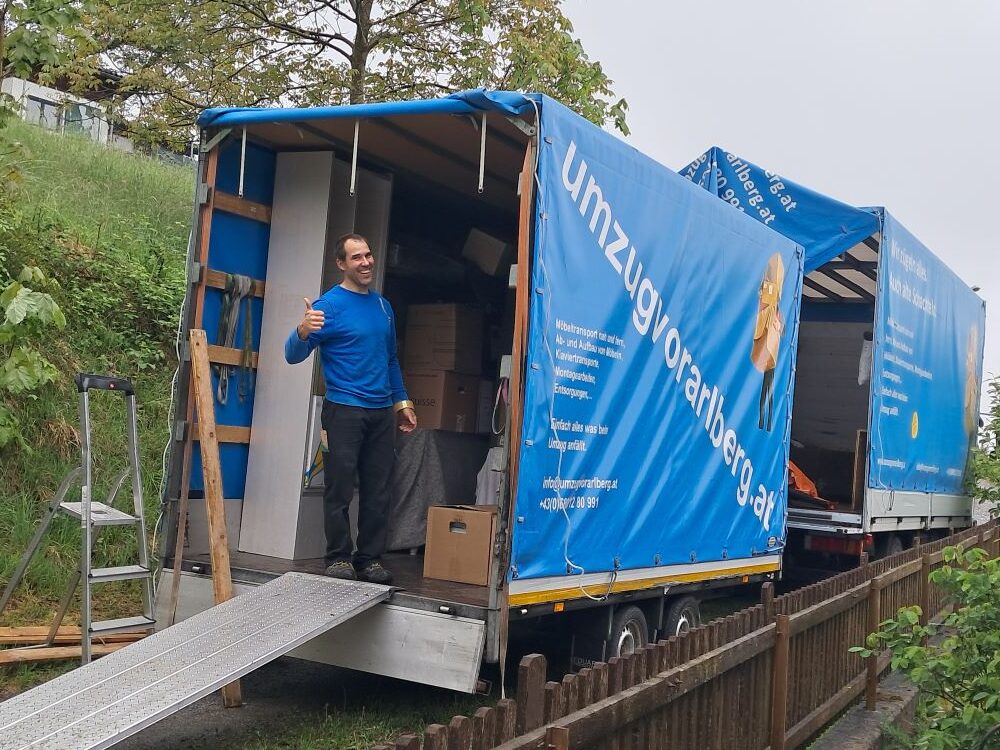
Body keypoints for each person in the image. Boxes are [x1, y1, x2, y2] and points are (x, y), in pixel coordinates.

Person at [285, 233, 417, 584]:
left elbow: (390, 360)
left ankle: (370, 559)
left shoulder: (382, 307)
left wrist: (402, 403)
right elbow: (292, 355)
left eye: (369, 255)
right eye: (356, 257)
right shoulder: (327, 307)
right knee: (340, 487)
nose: (366, 262)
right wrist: (301, 330)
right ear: (341, 264)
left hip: (379, 414)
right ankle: (339, 557)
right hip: (342, 411)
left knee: (379, 488)